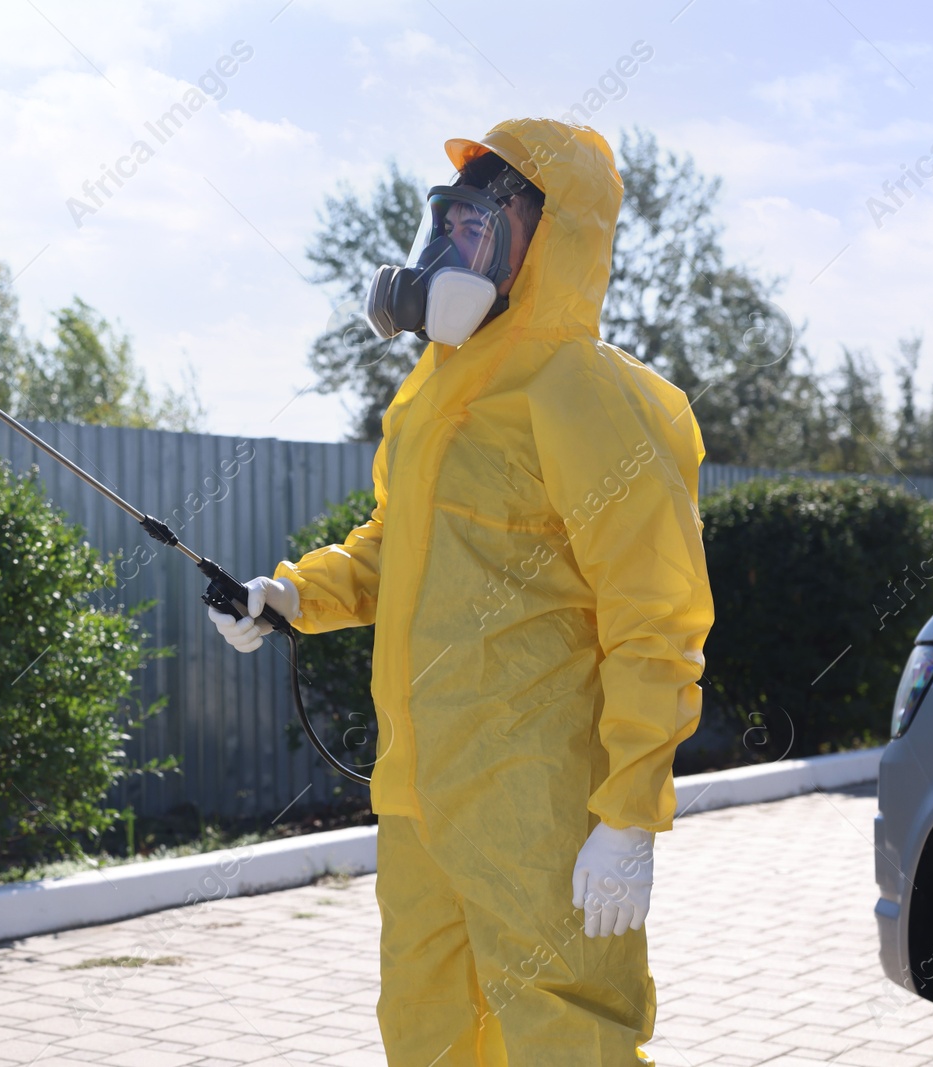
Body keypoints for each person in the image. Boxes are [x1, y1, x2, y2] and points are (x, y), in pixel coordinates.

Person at [210, 118, 714, 1065]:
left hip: (541, 800)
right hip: (418, 795)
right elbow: (392, 551)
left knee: (569, 1034)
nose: (447, 249)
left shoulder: (590, 395)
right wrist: (287, 595)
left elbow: (659, 614)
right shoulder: (433, 397)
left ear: (548, 239)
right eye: (444, 222)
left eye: (477, 227)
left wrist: (627, 813)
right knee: (426, 1030)